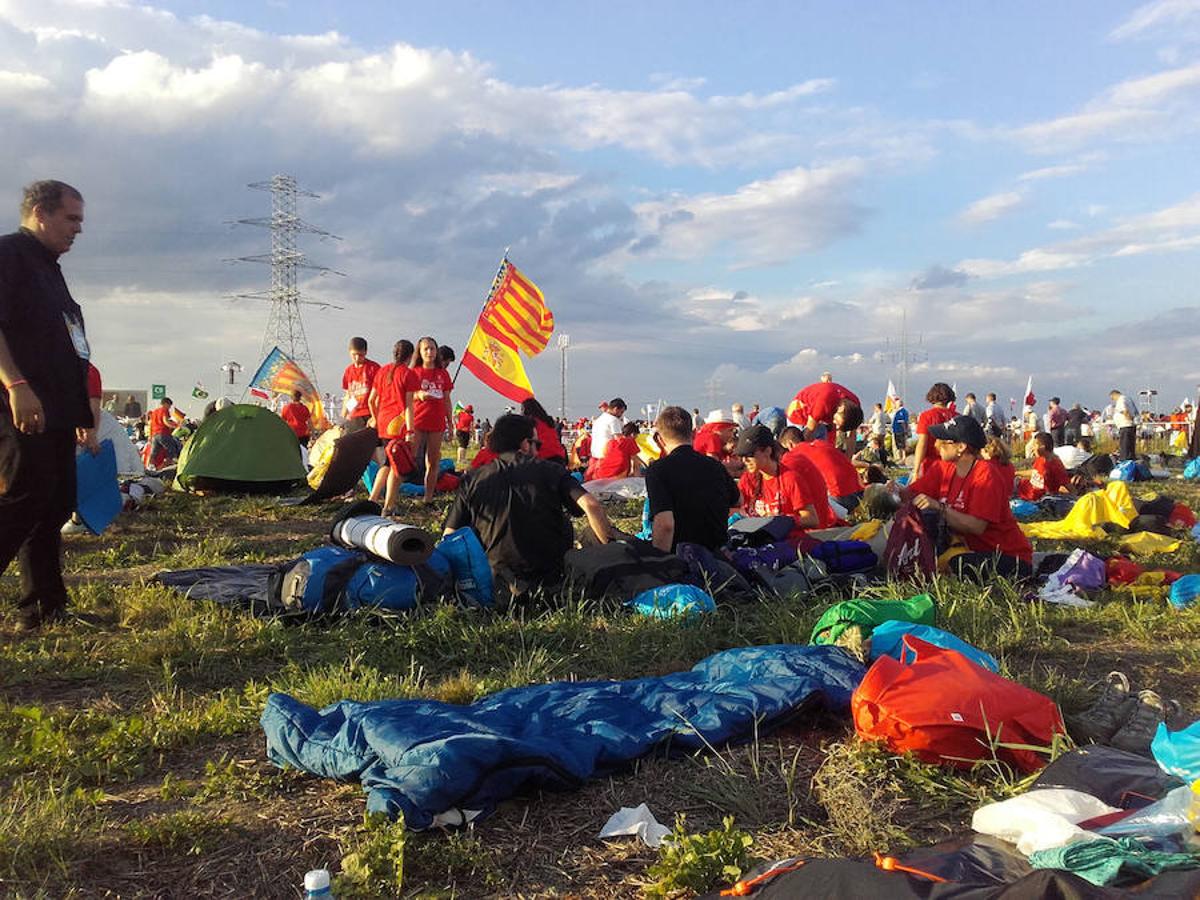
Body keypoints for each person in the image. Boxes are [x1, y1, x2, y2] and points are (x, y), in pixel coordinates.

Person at [0, 179, 92, 630]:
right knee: (22, 500)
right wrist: (16, 383)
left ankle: (43, 608)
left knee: (55, 504)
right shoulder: (9, 255)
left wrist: (79, 414)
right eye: (71, 218)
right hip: (19, 404)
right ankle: (41, 606)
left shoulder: (49, 268)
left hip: (56, 410)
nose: (78, 229)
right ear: (40, 212)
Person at [443, 413, 613, 602]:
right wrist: (612, 551)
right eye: (537, 444)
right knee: (584, 532)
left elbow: (450, 534)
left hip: (497, 583)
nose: (538, 450)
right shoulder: (551, 470)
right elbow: (591, 505)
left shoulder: (473, 478)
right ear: (525, 444)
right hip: (551, 580)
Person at [898, 415, 1032, 581]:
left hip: (1006, 556)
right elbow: (909, 494)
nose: (936, 445)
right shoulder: (944, 468)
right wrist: (892, 491)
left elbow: (977, 526)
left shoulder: (985, 474)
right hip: (968, 549)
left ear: (961, 447)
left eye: (943, 441)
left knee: (956, 564)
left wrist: (938, 507)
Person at [645, 406, 741, 552]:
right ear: (694, 433)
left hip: (681, 554)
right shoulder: (715, 466)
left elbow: (665, 524)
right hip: (717, 554)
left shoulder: (658, 470)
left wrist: (661, 563)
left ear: (659, 439)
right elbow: (738, 501)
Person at [735, 425, 821, 533]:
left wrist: (785, 521)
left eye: (749, 454)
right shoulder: (747, 479)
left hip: (786, 540)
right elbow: (735, 505)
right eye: (741, 456)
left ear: (767, 451)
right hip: (757, 538)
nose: (744, 460)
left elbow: (812, 519)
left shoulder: (790, 479)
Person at [367, 340, 415, 512]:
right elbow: (409, 405)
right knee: (396, 465)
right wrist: (410, 429)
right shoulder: (408, 374)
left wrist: (375, 417)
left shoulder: (382, 371)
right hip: (398, 425)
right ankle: (389, 505)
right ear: (410, 356)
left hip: (383, 423)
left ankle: (372, 499)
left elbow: (371, 400)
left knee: (386, 464)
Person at [404, 336, 454, 501]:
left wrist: (450, 423)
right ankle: (397, 492)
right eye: (425, 349)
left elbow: (447, 399)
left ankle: (428, 497)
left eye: (432, 348)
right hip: (417, 421)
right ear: (419, 352)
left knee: (432, 462)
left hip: (436, 423)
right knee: (408, 458)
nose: (429, 352)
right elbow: (406, 398)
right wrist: (419, 395)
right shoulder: (413, 372)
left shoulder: (443, 373)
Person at [781, 426, 863, 512]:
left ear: (790, 444)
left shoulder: (793, 455)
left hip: (839, 498)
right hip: (858, 493)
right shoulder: (821, 444)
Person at [776, 427, 837, 527]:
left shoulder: (792, 458)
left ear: (790, 444)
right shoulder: (819, 444)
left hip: (833, 497)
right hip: (853, 492)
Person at [786, 379, 863, 449]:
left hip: (822, 417)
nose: (836, 425)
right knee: (801, 448)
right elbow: (808, 433)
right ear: (840, 408)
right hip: (799, 414)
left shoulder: (854, 406)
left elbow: (851, 437)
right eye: (837, 422)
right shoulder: (823, 402)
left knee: (827, 449)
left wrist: (847, 461)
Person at [911, 382, 957, 477]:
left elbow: (922, 444)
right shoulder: (957, 417)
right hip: (953, 465)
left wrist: (916, 471)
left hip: (932, 464)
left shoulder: (926, 416)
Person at [341, 337, 380, 433]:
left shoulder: (373, 368)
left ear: (365, 352)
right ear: (349, 352)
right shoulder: (348, 371)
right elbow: (348, 396)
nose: (357, 358)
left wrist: (376, 416)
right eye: (354, 355)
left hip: (369, 413)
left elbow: (381, 394)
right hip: (354, 415)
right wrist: (342, 417)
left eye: (360, 355)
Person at [1017, 433, 1073, 501]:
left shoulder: (1055, 465)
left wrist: (1077, 498)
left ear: (1042, 447)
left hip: (1038, 500)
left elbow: (1067, 484)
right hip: (1026, 491)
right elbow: (1035, 472)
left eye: (1035, 445)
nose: (1032, 448)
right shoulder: (1041, 458)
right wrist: (1016, 473)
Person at [587, 397, 626, 478]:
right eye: (621, 412)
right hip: (607, 457)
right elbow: (619, 439)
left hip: (595, 455)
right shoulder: (613, 420)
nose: (621, 415)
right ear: (615, 409)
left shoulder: (598, 420)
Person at [146, 396, 184, 466]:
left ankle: (149, 466)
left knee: (154, 453)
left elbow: (151, 424)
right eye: (169, 405)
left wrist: (150, 436)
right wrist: (176, 426)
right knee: (171, 451)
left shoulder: (154, 412)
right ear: (166, 404)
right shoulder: (164, 410)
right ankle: (164, 466)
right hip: (163, 434)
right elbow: (166, 421)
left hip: (155, 435)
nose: (169, 407)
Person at [1110, 389, 1138, 462]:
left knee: (1125, 446)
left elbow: (1125, 411)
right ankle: (1131, 460)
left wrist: (1129, 418)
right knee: (1130, 447)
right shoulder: (1127, 398)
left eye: (1112, 398)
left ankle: (1124, 461)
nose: (1113, 400)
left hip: (1125, 425)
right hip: (1130, 426)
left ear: (1114, 395)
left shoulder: (1121, 400)